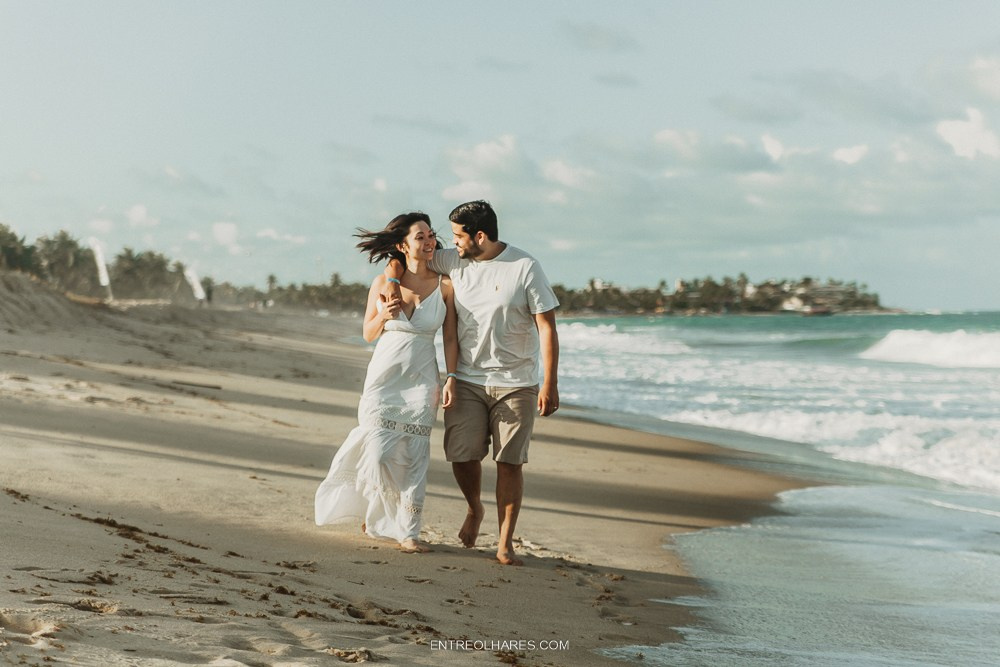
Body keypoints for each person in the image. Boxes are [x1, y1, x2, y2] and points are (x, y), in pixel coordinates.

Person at [382, 200, 559, 565]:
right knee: (461, 455)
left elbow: (547, 326)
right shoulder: (454, 260)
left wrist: (549, 383)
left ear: (480, 236)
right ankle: (475, 508)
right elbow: (403, 256)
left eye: (458, 236)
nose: (450, 243)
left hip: (517, 382)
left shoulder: (525, 267)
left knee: (510, 462)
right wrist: (392, 280)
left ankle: (505, 543)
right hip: (466, 379)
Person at [315, 212, 458, 553]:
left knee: (414, 455)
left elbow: (451, 338)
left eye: (430, 235)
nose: (429, 241)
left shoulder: (446, 285)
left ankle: (408, 531)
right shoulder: (382, 284)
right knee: (377, 452)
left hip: (424, 377)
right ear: (402, 245)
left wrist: (451, 377)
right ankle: (373, 513)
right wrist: (384, 314)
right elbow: (368, 333)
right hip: (383, 378)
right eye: (420, 237)